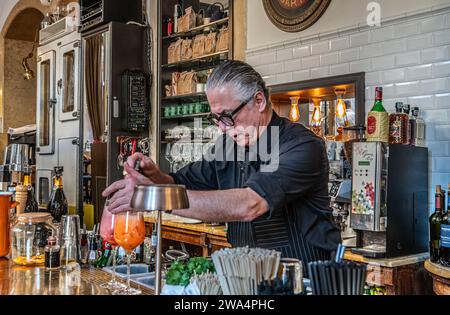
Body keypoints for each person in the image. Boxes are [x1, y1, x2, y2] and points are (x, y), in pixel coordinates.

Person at [103, 60, 341, 270]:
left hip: (306, 278)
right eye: (217, 119)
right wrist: (155, 177)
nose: (223, 128)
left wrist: (152, 196)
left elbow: (250, 204)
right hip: (247, 277)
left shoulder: (302, 146)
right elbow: (179, 183)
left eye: (228, 116)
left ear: (259, 100)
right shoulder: (227, 147)